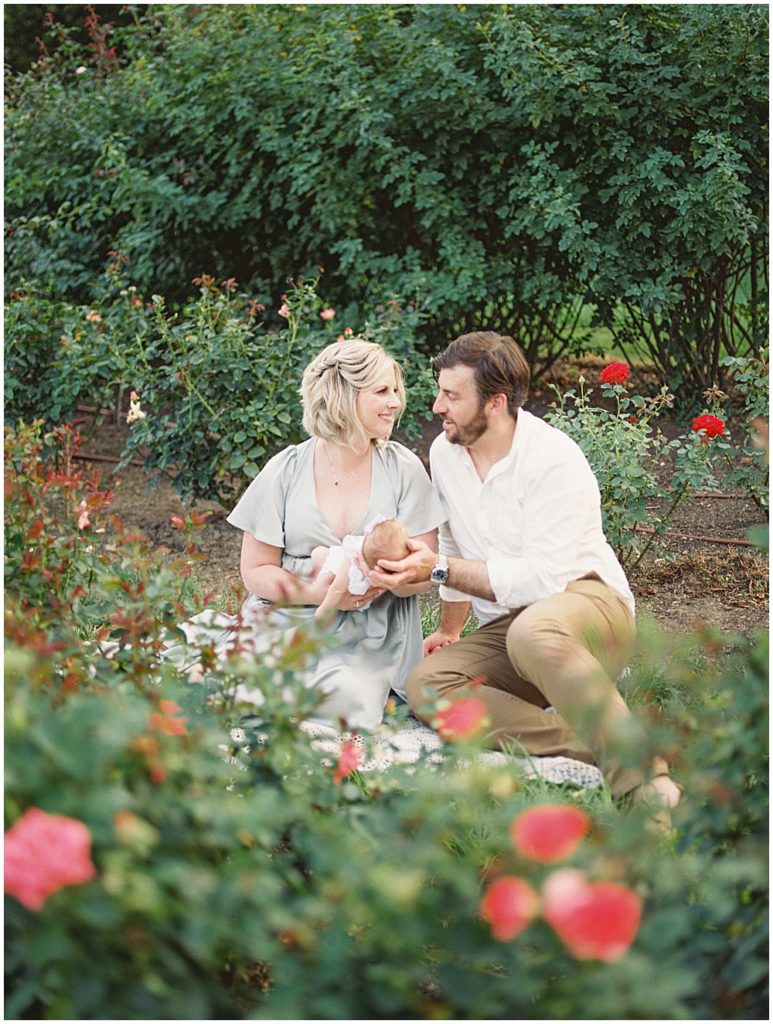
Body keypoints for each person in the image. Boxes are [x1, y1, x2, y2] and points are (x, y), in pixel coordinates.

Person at [367, 331, 681, 821]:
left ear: (494, 403)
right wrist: (450, 629)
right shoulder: (448, 454)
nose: (435, 406)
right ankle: (603, 746)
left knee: (533, 631)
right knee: (428, 684)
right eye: (439, 391)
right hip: (516, 628)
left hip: (590, 608)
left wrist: (440, 570)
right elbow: (451, 543)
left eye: (451, 396)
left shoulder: (553, 460)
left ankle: (645, 792)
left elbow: (542, 584)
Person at [218, 338, 446, 730]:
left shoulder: (404, 468)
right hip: (287, 615)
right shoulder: (286, 468)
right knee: (237, 685)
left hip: (371, 629)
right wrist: (324, 595)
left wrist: (385, 581)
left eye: (395, 391)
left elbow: (421, 572)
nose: (396, 402)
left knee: (345, 702)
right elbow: (256, 569)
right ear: (343, 396)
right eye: (382, 392)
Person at [311, 516, 412, 621]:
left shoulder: (357, 559)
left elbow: (338, 589)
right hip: (347, 584)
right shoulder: (355, 562)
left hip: (346, 584)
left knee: (319, 554)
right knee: (319, 555)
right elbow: (337, 589)